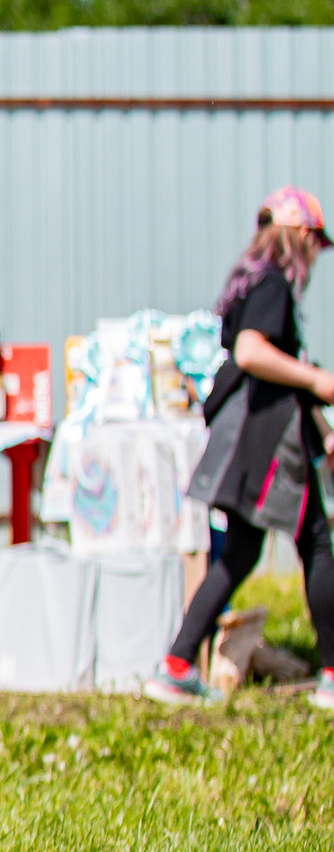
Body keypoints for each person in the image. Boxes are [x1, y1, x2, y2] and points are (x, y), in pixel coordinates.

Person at [151, 187, 334, 711]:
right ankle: (333, 673)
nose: (317, 254)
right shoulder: (275, 284)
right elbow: (253, 352)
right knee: (317, 542)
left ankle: (178, 665)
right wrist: (319, 380)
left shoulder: (250, 282)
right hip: (271, 440)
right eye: (316, 242)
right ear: (298, 235)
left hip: (247, 434)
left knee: (241, 552)